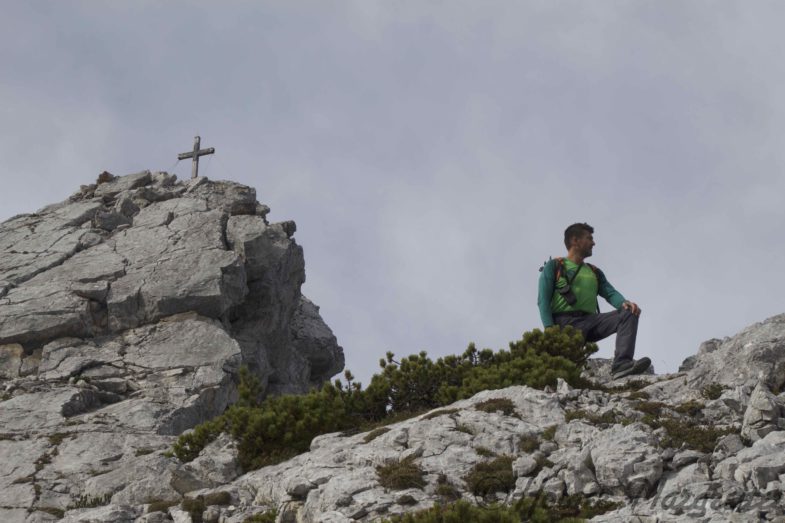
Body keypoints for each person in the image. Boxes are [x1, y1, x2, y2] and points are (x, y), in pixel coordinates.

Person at [537, 223, 650, 380]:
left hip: (590, 321)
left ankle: (622, 365)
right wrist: (550, 330)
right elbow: (543, 301)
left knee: (629, 312)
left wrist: (624, 302)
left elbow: (610, 293)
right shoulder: (554, 266)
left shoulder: (594, 272)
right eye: (589, 238)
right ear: (575, 240)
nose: (593, 243)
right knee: (564, 374)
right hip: (564, 325)